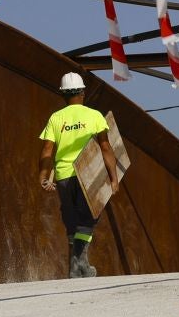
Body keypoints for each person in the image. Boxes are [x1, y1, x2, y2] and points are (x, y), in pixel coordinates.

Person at [38, 73, 120, 279]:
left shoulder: (56, 118)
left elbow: (47, 150)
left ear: (63, 95)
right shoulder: (94, 116)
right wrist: (114, 178)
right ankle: (79, 262)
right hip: (87, 175)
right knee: (89, 217)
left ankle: (78, 266)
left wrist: (43, 175)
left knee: (72, 220)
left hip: (64, 176)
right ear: (83, 93)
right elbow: (105, 148)